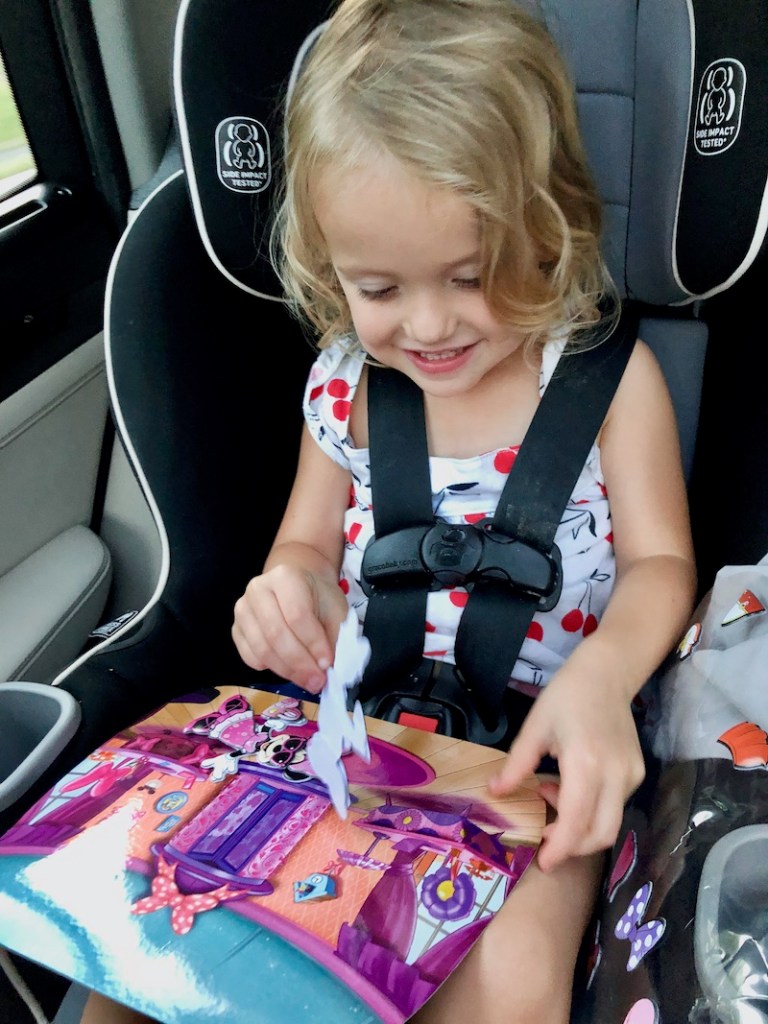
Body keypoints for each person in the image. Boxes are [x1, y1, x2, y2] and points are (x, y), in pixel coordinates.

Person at [85, 0, 697, 1021]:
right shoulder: (343, 389)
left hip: (536, 753)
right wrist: (286, 594)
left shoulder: (609, 383)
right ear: (330, 268)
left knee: (510, 982)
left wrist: (601, 681)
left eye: (470, 276)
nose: (427, 323)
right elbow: (301, 545)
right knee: (155, 942)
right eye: (377, 288)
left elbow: (662, 567)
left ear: (547, 226)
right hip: (352, 733)